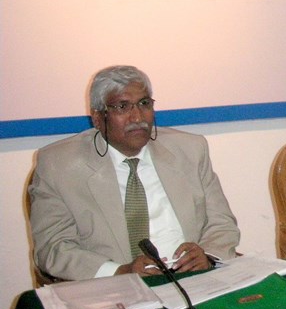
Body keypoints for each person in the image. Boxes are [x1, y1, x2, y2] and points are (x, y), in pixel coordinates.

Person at [29, 65, 240, 281]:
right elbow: (53, 248)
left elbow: (222, 223)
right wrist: (120, 271)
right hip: (114, 288)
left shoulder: (190, 150)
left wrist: (208, 256)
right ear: (98, 118)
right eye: (122, 107)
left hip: (194, 281)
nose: (137, 117)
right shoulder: (58, 165)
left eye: (144, 104)